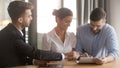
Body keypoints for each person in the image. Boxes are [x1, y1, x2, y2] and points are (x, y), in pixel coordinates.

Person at [0, 1, 73, 68]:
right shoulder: (13, 36)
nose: (31, 18)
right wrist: (63, 55)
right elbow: (35, 53)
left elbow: (18, 55)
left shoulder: (10, 31)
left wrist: (34, 61)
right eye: (29, 16)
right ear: (20, 20)